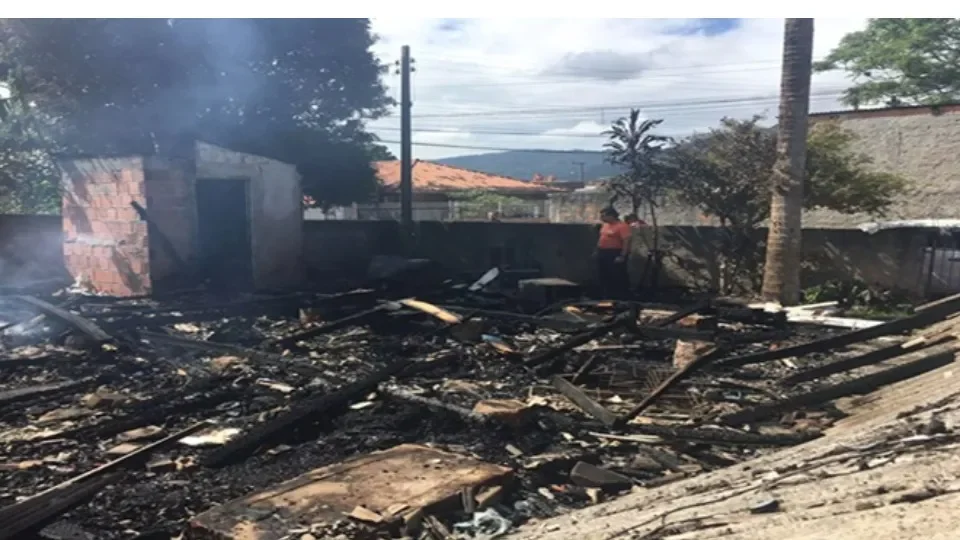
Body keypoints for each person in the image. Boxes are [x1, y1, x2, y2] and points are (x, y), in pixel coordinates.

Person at [594, 207, 632, 299]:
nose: (602, 218)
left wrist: (622, 255)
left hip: (615, 252)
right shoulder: (605, 225)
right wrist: (597, 251)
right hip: (603, 252)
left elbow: (626, 241)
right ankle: (606, 295)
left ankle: (620, 296)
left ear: (611, 216)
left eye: (604, 216)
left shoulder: (622, 226)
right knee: (603, 274)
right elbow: (602, 238)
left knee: (616, 275)